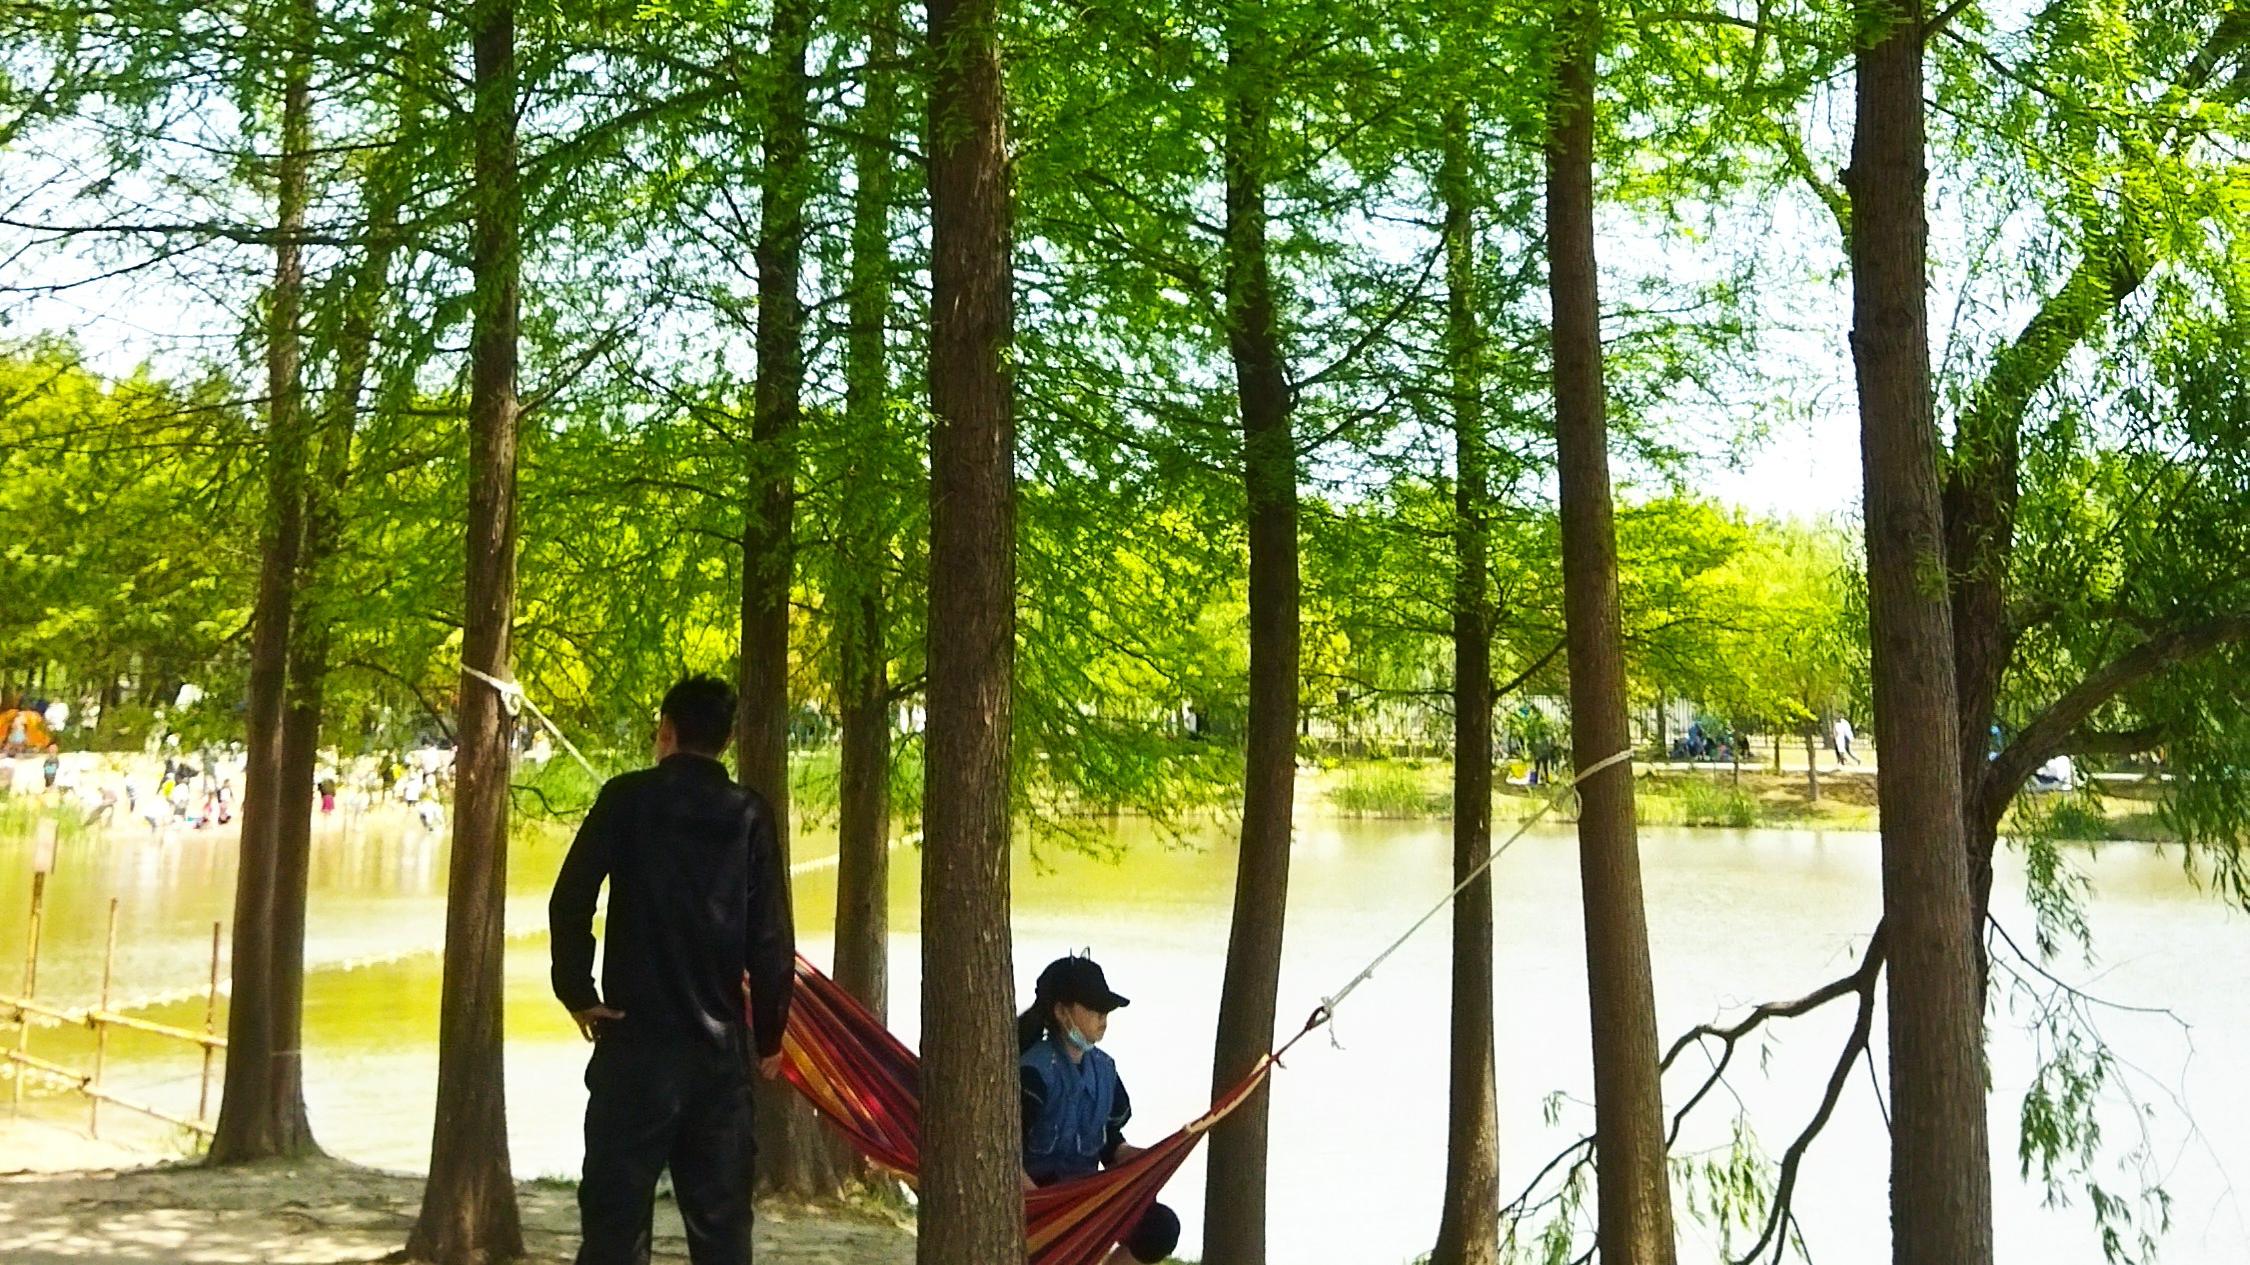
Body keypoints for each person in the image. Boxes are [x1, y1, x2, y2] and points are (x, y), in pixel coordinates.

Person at [549, 674, 795, 1265]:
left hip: (634, 1047)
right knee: (721, 1236)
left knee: (614, 1229)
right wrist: (769, 1035)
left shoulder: (625, 798)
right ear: (727, 739)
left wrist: (578, 991)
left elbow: (571, 897)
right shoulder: (748, 815)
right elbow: (771, 939)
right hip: (717, 1059)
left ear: (666, 731)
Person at [1017, 955, 1181, 1265]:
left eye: (1105, 1010)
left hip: (1086, 1202)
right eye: (1093, 1008)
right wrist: (1048, 1210)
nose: (1103, 1018)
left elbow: (1109, 1145)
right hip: (1038, 1203)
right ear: (1061, 1012)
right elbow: (1005, 1158)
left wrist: (1147, 1159)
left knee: (1161, 1227)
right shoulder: (1033, 1074)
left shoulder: (1104, 1069)